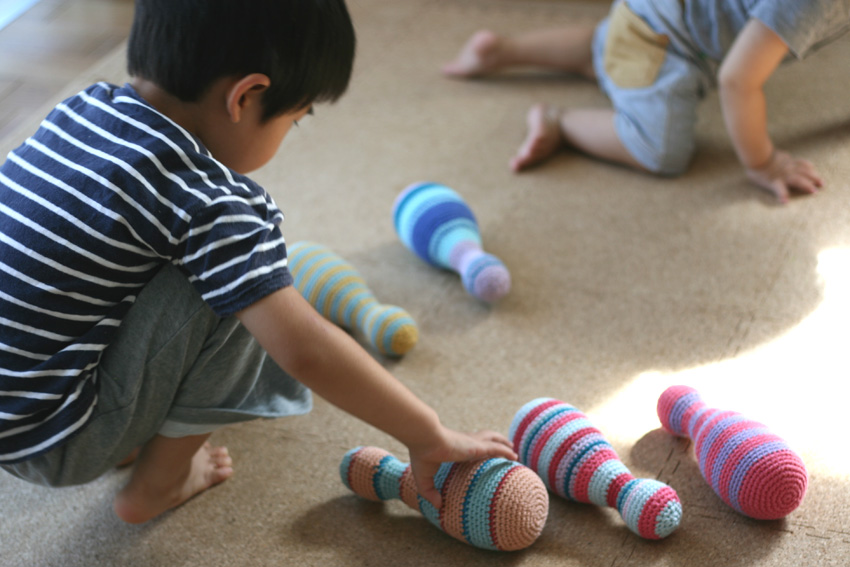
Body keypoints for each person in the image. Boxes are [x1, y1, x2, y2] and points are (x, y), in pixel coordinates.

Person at [0, 0, 516, 524]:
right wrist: (427, 434)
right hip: (53, 440)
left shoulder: (81, 111)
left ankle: (124, 421)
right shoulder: (208, 202)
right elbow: (304, 350)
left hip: (15, 409)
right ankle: (159, 484)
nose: (289, 133)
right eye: (294, 120)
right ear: (246, 96)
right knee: (242, 289)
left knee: (179, 258)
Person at [443, 0, 850, 204]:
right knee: (660, 150)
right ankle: (559, 121)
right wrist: (763, 162)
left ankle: (502, 51)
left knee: (619, 40)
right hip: (666, 47)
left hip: (650, 12)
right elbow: (737, 80)